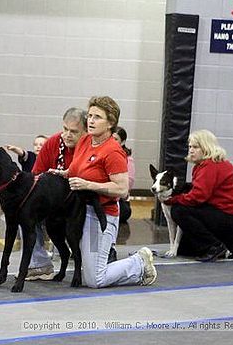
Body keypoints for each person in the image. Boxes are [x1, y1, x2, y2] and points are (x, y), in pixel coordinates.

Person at [51, 96, 157, 288]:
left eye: (97, 117)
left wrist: (89, 185)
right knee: (90, 273)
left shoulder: (113, 152)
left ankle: (138, 262)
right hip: (81, 212)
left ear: (110, 123)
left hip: (101, 217)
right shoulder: (85, 141)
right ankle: (131, 268)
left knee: (95, 279)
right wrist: (64, 173)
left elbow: (122, 189)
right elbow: (80, 169)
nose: (91, 120)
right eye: (90, 116)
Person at [19, 107, 88, 281]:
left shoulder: (90, 147)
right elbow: (35, 177)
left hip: (81, 203)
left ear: (85, 131)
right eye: (65, 129)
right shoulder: (53, 143)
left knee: (93, 275)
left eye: (74, 131)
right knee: (23, 214)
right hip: (52, 203)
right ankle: (40, 265)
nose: (67, 134)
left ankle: (101, 252)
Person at [164, 130, 233, 262]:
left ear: (207, 148)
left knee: (179, 210)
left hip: (229, 218)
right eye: (190, 147)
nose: (191, 150)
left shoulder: (210, 166)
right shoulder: (205, 165)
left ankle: (214, 247)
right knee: (185, 249)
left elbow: (198, 197)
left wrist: (174, 200)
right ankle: (229, 243)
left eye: (195, 147)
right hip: (230, 217)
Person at [112, 126, 135, 225]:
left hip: (120, 201)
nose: (112, 142)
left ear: (122, 142)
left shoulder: (128, 159)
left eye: (115, 139)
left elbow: (127, 184)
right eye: (110, 139)